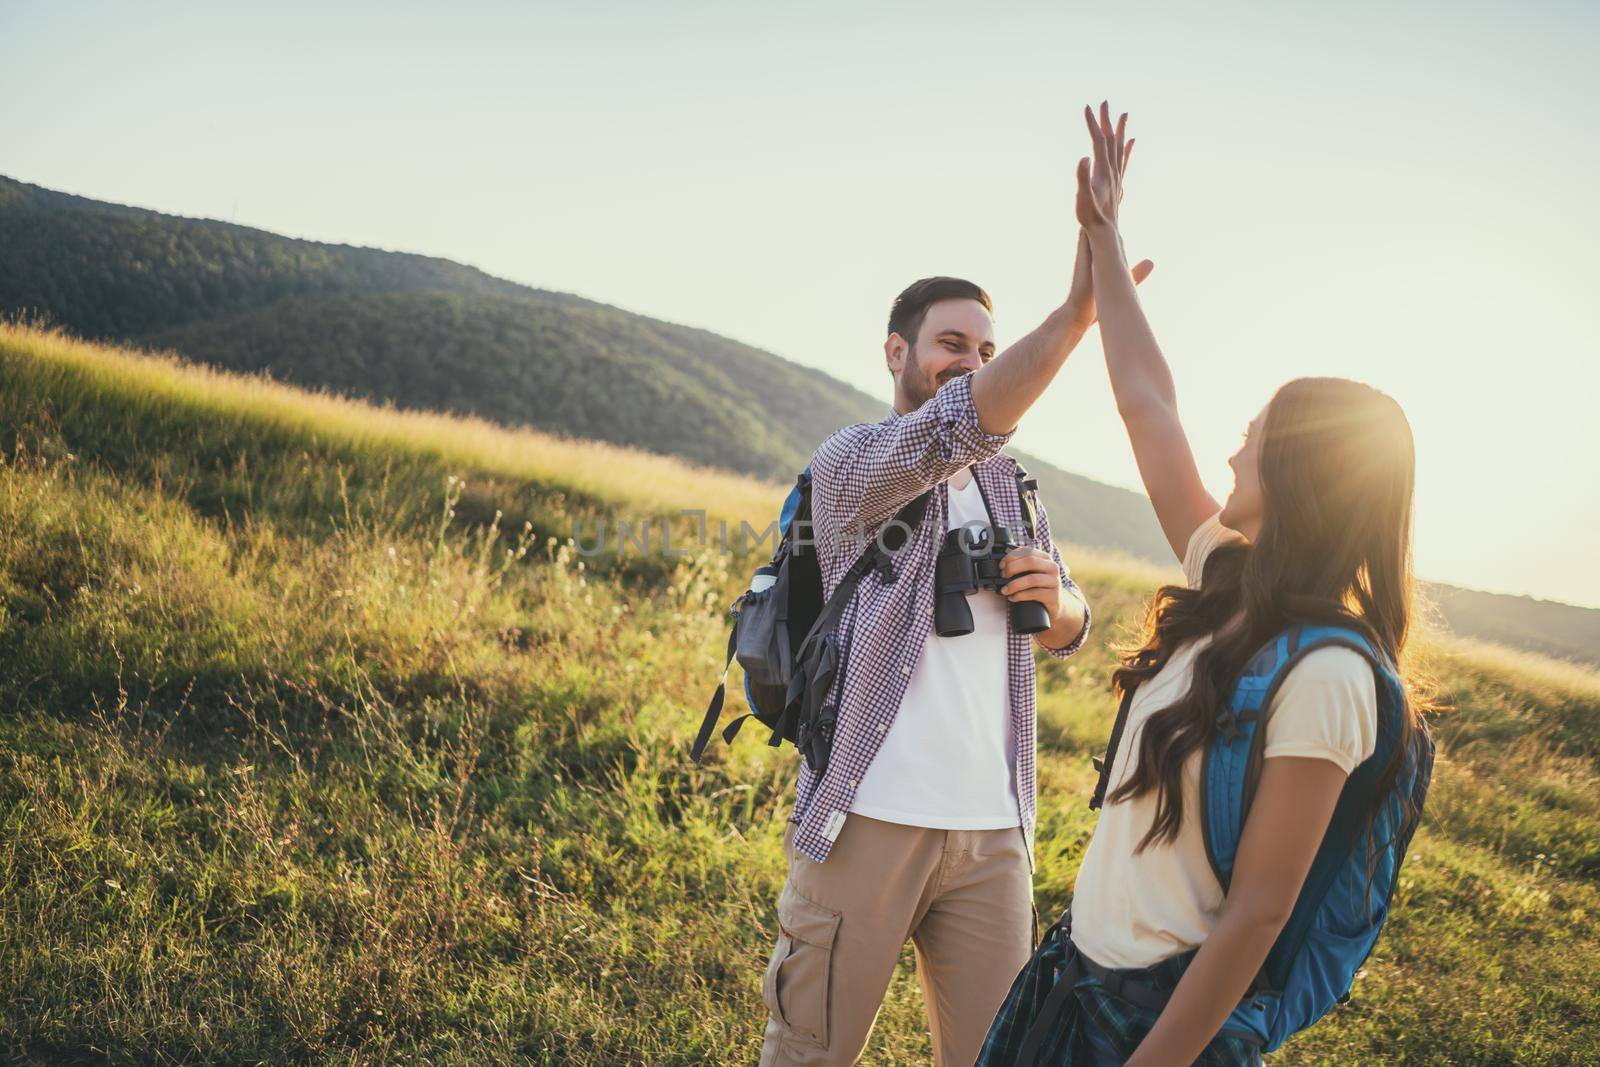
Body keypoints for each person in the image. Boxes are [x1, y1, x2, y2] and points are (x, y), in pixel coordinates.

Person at [978, 103, 1433, 1066]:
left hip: (1156, 1033)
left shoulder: (1332, 677)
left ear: (1307, 475)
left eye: (1259, 433)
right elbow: (1150, 405)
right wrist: (1103, 241)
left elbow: (1259, 915)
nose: (1234, 441)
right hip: (1072, 979)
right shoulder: (1228, 579)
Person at [756, 239, 1151, 1061]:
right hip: (869, 817)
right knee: (809, 1053)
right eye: (950, 345)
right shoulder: (853, 463)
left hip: (992, 832)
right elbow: (955, 425)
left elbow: (1070, 626)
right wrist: (1076, 318)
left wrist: (1062, 600)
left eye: (985, 351)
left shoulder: (1012, 484)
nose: (970, 363)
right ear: (896, 350)